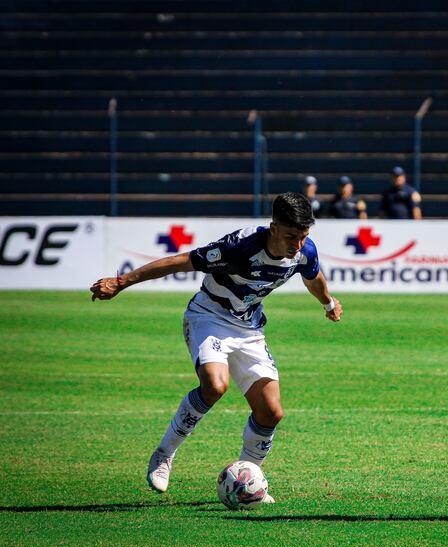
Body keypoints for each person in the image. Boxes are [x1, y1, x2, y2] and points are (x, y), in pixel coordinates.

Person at [90, 193, 343, 499]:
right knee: (215, 385)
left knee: (271, 412)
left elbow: (312, 276)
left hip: (249, 329)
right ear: (274, 227)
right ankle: (164, 455)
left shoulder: (304, 251)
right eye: (292, 236)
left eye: (303, 237)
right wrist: (121, 282)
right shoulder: (239, 247)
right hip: (208, 318)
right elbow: (179, 262)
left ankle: (248, 482)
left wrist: (328, 302)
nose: (298, 244)